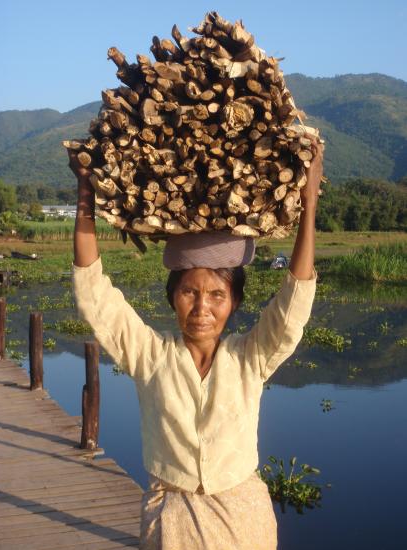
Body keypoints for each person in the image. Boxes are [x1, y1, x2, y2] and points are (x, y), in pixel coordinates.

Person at [69, 137, 323, 550]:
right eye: (190, 292)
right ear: (173, 296)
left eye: (217, 296)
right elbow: (95, 295)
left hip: (243, 521)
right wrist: (85, 192)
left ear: (234, 302)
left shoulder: (250, 358)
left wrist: (309, 202)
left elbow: (293, 302)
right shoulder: (150, 356)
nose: (202, 307)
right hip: (173, 522)